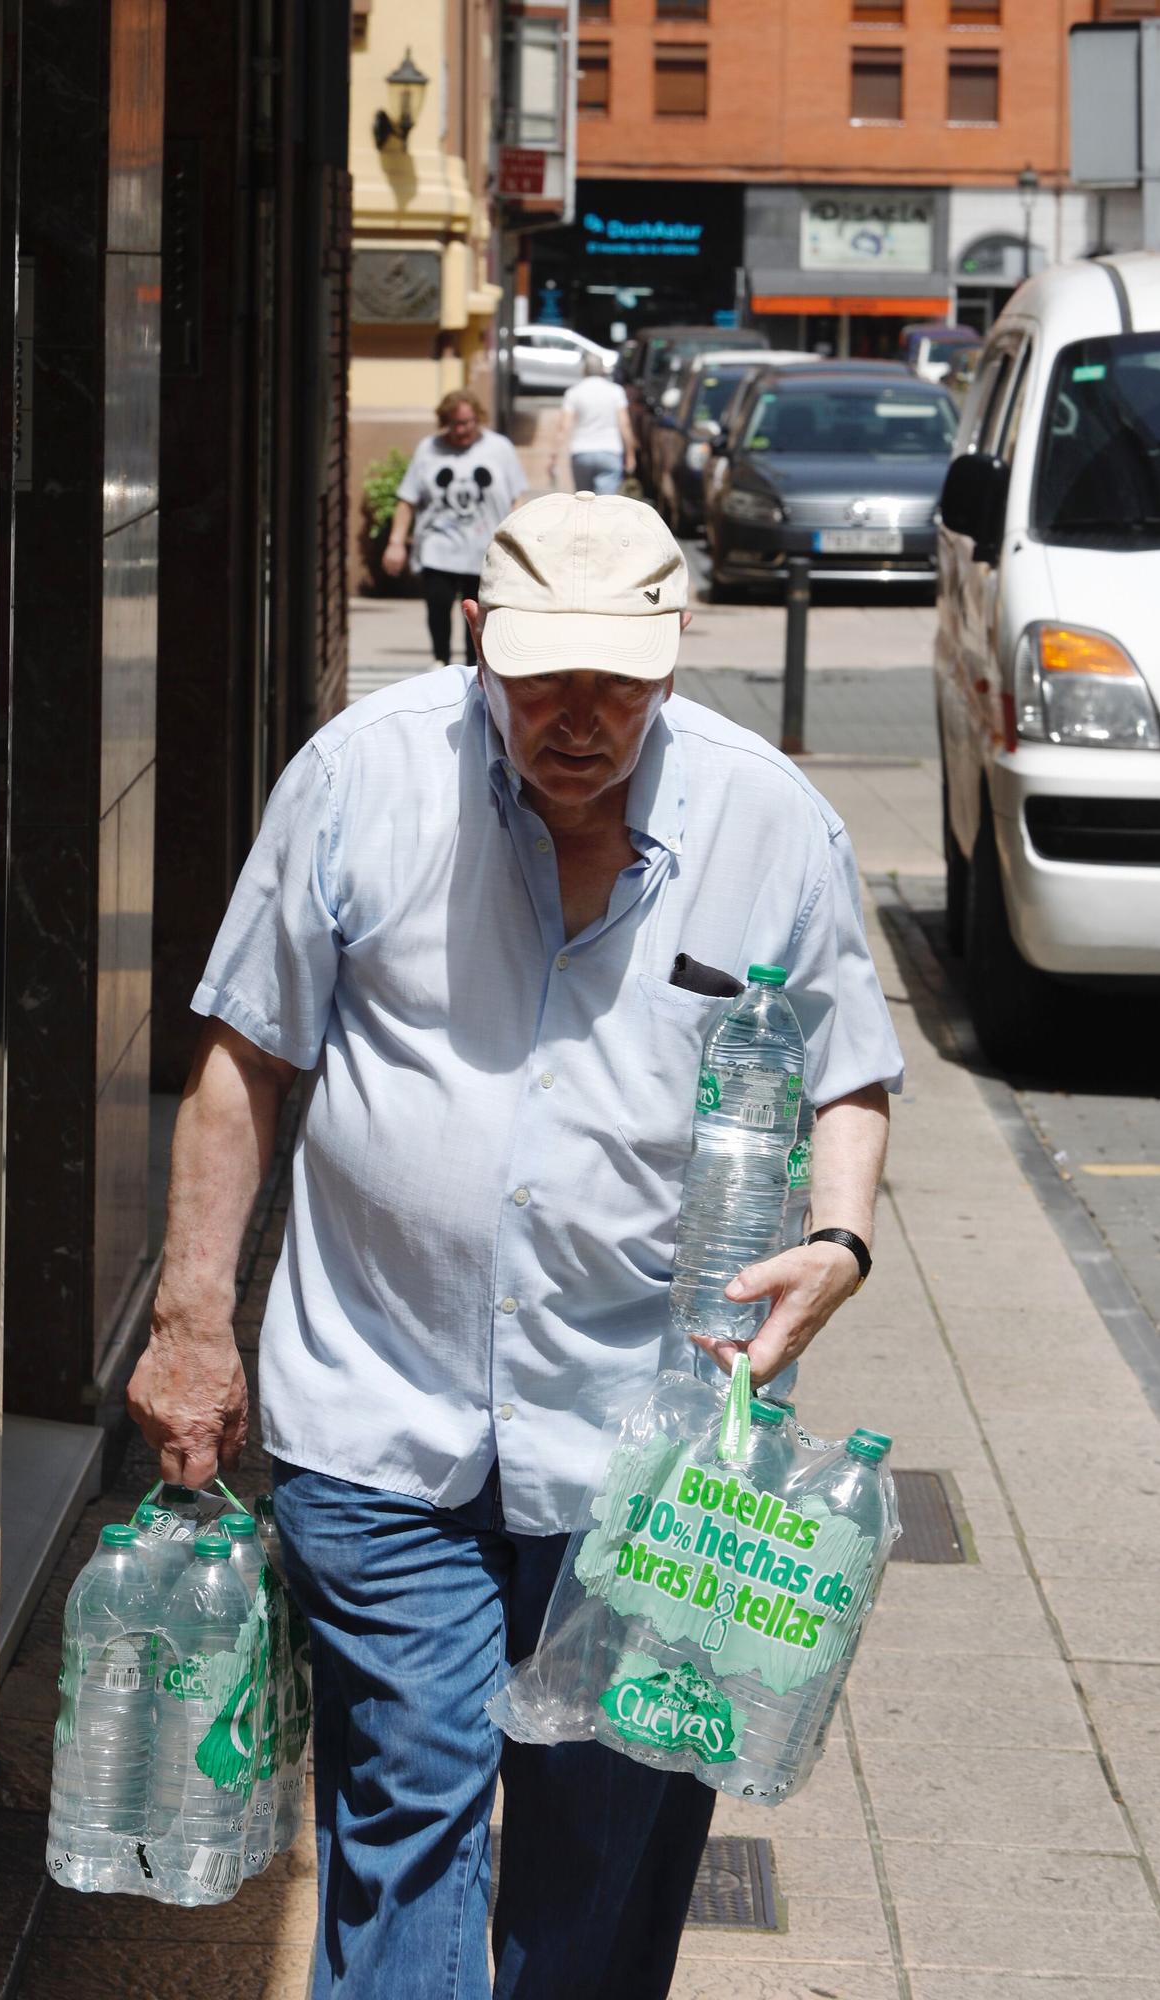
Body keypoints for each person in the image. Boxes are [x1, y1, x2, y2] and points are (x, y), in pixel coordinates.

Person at [127, 491, 904, 2000]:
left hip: (649, 1440)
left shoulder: (769, 820)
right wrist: (190, 1322)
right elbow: (244, 1059)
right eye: (544, 679)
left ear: (672, 660)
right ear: (477, 639)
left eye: (617, 682)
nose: (578, 719)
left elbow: (845, 1070)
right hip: (378, 1399)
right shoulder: (358, 779)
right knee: (407, 1797)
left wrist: (839, 1237)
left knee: (608, 1834)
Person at [382, 389, 526, 669]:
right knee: (438, 605)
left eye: (468, 422)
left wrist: (516, 541)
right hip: (439, 546)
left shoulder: (500, 448)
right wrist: (396, 542)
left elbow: (517, 498)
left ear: (478, 419)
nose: (462, 430)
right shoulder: (429, 449)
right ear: (445, 421)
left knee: (478, 616)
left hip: (484, 550)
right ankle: (441, 662)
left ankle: (475, 669)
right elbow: (407, 499)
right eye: (455, 423)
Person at [550, 354, 635, 495]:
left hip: (581, 453)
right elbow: (624, 424)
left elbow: (563, 427)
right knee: (605, 507)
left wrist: (554, 457)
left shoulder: (574, 392)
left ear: (584, 369)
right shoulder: (616, 391)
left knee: (584, 505)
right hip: (610, 452)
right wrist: (630, 454)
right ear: (603, 370)